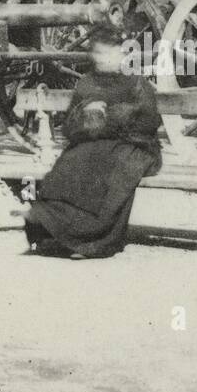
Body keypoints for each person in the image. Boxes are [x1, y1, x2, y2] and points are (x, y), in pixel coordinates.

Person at [24, 70, 163, 259]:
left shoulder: (138, 85)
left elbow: (148, 123)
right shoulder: (87, 83)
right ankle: (54, 231)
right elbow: (71, 126)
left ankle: (92, 241)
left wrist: (111, 116)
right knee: (75, 162)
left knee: (114, 173)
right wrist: (89, 112)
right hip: (99, 144)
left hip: (136, 147)